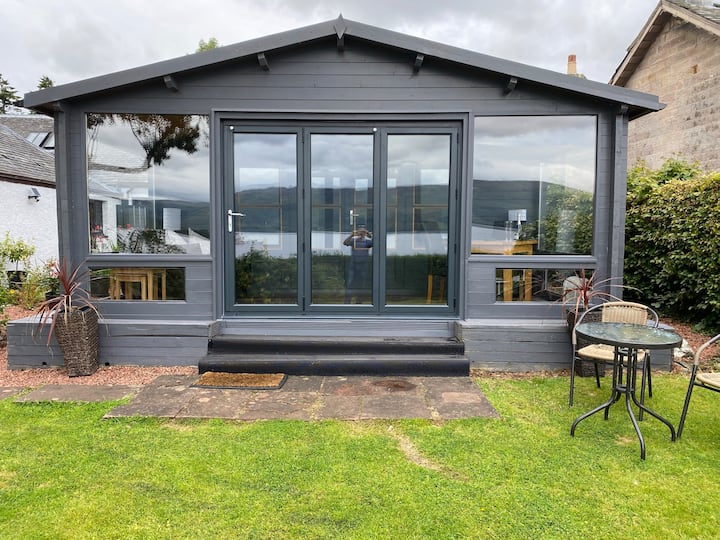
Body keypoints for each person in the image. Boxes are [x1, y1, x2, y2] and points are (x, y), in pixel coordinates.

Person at [343, 226, 373, 303]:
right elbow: (345, 243)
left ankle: (359, 302)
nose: (361, 233)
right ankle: (347, 302)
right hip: (353, 264)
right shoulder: (354, 240)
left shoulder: (367, 242)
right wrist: (351, 235)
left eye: (363, 232)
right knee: (350, 284)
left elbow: (377, 245)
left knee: (361, 285)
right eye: (360, 232)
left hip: (363, 265)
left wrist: (370, 236)